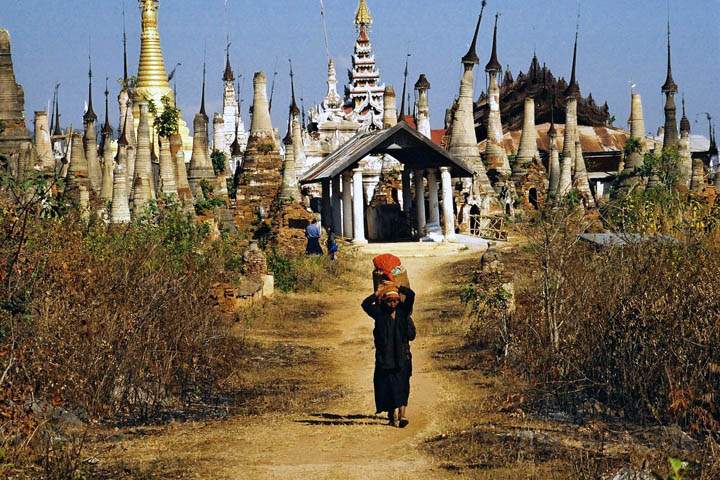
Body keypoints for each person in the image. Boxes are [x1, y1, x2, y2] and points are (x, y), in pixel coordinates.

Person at [361, 281, 416, 428]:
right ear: (385, 301)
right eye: (390, 301)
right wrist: (378, 293)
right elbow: (365, 304)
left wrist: (397, 286)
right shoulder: (379, 313)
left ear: (399, 301)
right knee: (388, 387)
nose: (393, 304)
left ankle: (402, 416)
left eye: (396, 300)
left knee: (403, 385)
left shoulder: (403, 313)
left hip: (402, 358)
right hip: (385, 359)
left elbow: (411, 295)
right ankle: (391, 416)